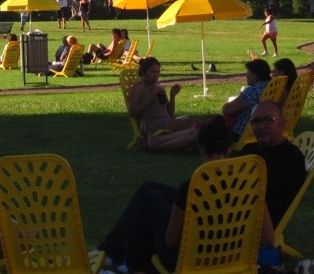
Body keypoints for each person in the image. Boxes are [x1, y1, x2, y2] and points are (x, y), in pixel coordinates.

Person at [96, 116, 233, 273]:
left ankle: (132, 264)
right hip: (233, 256)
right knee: (149, 189)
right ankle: (115, 251)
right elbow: (266, 237)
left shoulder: (191, 188)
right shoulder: (247, 184)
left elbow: (171, 240)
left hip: (189, 260)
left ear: (202, 150)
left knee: (151, 199)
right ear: (229, 148)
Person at [239, 100, 308, 260]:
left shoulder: (289, 157)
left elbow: (269, 200)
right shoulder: (250, 150)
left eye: (268, 120)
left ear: (282, 123)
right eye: (255, 121)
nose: (261, 126)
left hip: (245, 224)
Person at [127, 57, 199, 151]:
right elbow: (132, 112)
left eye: (158, 72)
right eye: (152, 72)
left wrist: (172, 96)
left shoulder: (159, 88)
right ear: (143, 73)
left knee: (194, 124)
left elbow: (169, 114)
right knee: (190, 124)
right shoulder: (138, 88)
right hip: (151, 124)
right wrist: (152, 96)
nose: (156, 75)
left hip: (165, 121)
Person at [222, 59, 271, 141]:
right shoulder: (270, 87)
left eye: (248, 72)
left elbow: (226, 110)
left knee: (211, 126)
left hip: (240, 134)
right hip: (260, 131)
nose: (246, 75)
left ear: (255, 75)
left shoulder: (252, 91)